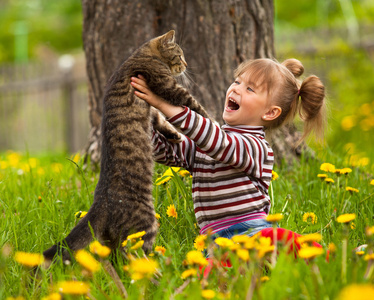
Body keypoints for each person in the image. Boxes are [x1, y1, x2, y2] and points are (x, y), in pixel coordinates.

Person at [130, 58, 326, 264]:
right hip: (215, 243)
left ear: (270, 112)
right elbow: (169, 150)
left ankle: (325, 256)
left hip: (252, 235)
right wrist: (139, 121)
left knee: (274, 241)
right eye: (237, 81)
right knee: (209, 276)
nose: (236, 89)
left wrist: (164, 104)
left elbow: (220, 144)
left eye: (250, 89)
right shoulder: (207, 142)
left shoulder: (256, 147)